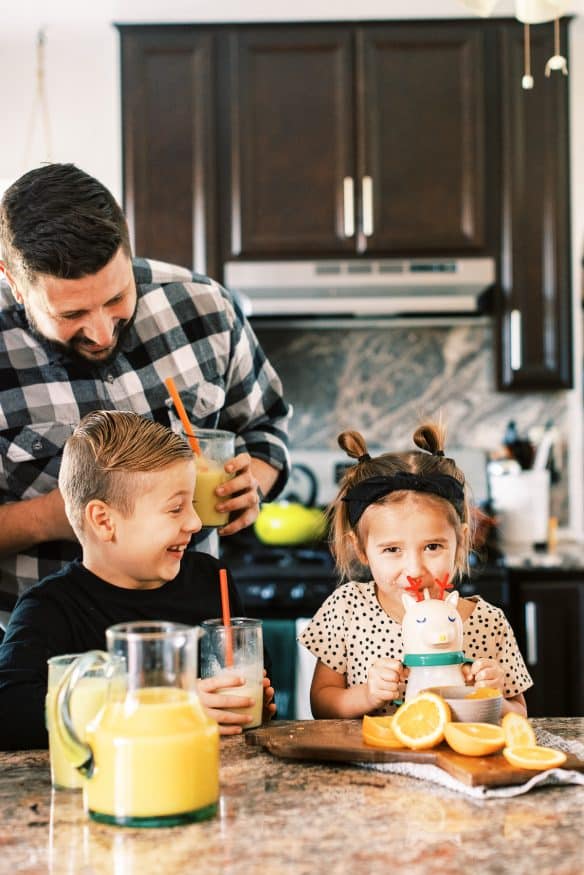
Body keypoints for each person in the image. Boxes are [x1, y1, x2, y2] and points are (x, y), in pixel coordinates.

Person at [0, 162, 291, 595]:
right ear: (15, 283)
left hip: (194, 630)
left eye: (117, 297)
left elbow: (265, 429)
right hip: (44, 649)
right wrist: (50, 517)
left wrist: (253, 484)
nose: (101, 333)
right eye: (71, 314)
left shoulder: (205, 307)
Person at [0, 410, 276, 750]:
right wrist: (166, 708)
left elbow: (253, 684)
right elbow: (10, 713)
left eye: (192, 503)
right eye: (176, 509)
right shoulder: (50, 608)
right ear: (104, 521)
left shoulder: (211, 579)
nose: (194, 522)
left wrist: (254, 699)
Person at [298, 422, 532, 719]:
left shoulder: (489, 624)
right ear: (361, 549)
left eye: (432, 547)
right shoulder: (346, 609)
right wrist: (367, 695)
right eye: (392, 550)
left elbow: (519, 714)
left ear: (460, 541)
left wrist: (492, 696)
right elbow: (321, 704)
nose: (414, 569)